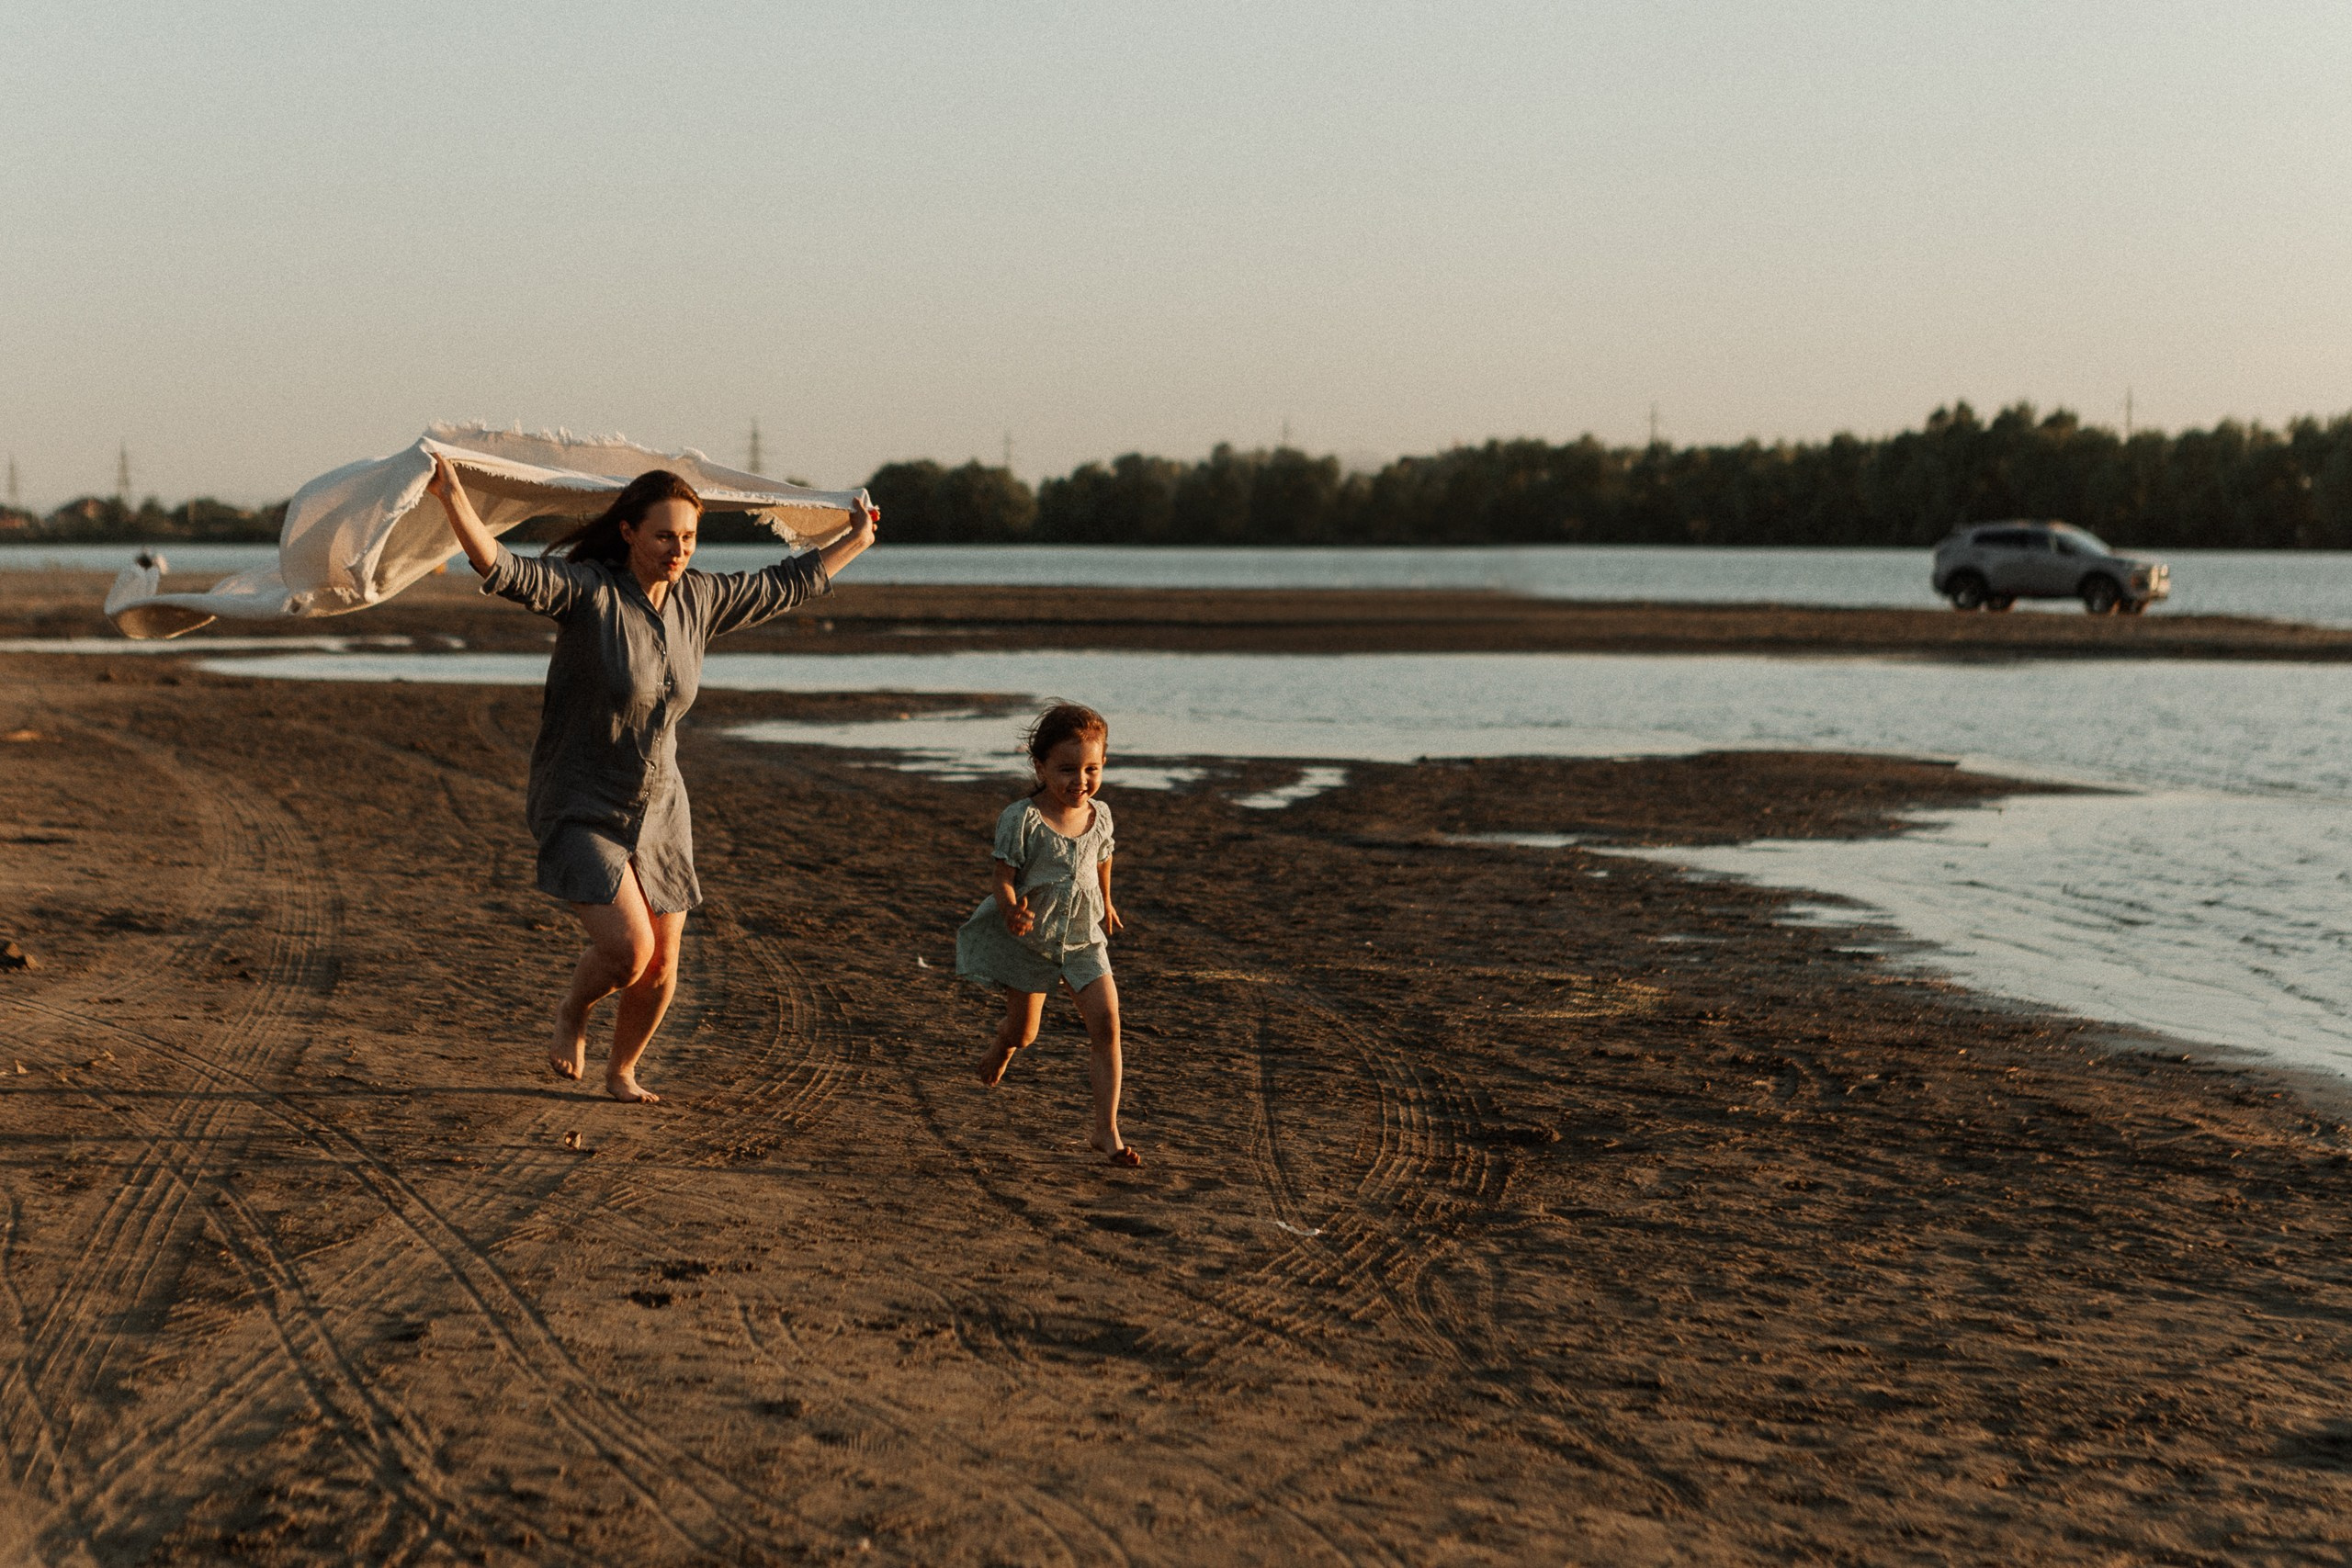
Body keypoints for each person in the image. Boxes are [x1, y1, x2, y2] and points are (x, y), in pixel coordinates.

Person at [427, 456, 878, 1101]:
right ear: (629, 533)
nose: (679, 550)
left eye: (689, 538)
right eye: (665, 535)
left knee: (664, 963)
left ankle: (622, 1071)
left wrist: (856, 538)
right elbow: (504, 567)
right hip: (581, 800)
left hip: (662, 807)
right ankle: (572, 1013)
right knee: (629, 950)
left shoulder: (699, 599)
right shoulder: (589, 593)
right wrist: (453, 499)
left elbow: (785, 583)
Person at [956, 703, 1137, 1166]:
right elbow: (1002, 876)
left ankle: (1106, 1132)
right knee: (1026, 1032)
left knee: (1108, 1027)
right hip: (1032, 942)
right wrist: (1011, 908)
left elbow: (1103, 858)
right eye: (1067, 770)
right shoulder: (1022, 819)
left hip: (1083, 941)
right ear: (1039, 765)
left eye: (1091, 769)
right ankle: (1003, 1042)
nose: (1080, 781)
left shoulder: (1102, 814)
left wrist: (1108, 901)